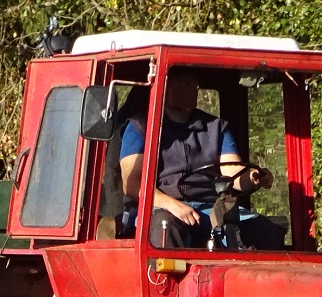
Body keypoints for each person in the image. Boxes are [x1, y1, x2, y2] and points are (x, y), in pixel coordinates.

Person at [118, 69, 284, 249]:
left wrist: (252, 177)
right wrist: (172, 205)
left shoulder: (216, 127)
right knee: (165, 225)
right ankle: (166, 277)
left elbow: (233, 173)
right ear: (165, 85)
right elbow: (132, 183)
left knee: (266, 230)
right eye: (181, 80)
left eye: (191, 81)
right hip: (159, 207)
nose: (187, 87)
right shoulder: (140, 127)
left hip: (209, 208)